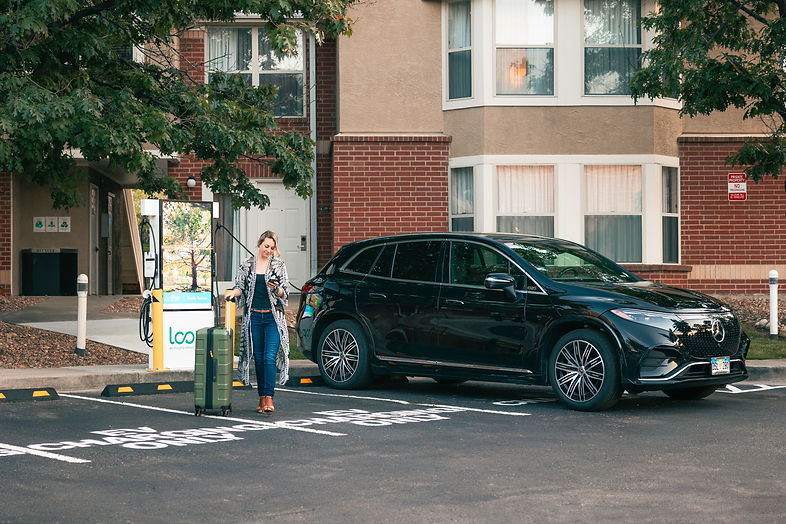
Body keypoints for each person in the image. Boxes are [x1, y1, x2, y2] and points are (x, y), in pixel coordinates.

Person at [225, 230, 290, 414]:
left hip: (273, 318)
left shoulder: (278, 266)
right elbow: (240, 287)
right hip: (253, 317)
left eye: (272, 247)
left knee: (270, 356)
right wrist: (233, 293)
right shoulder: (247, 265)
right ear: (259, 244)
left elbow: (285, 292)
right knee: (259, 358)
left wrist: (276, 289)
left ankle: (269, 397)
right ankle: (261, 398)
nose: (268, 250)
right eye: (266, 246)